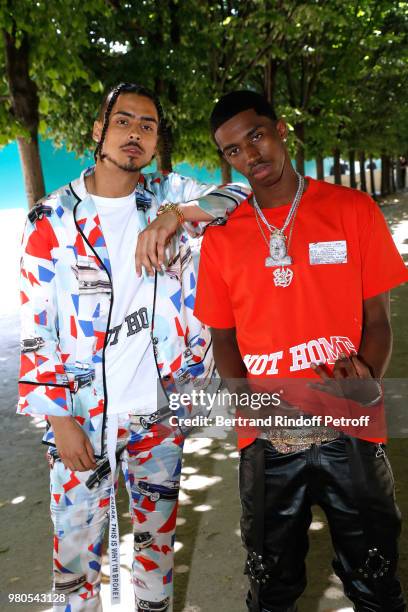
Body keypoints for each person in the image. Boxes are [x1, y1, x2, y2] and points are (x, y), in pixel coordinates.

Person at [17, 82, 248, 612]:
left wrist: (179, 216)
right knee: (75, 565)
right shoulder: (50, 220)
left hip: (161, 415)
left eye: (148, 126)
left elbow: (243, 197)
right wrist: (59, 420)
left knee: (155, 553)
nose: (136, 133)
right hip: (83, 419)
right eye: (124, 121)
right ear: (99, 130)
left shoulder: (170, 195)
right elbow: (37, 327)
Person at [194, 90, 408, 612]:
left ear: (281, 129)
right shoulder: (221, 240)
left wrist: (365, 380)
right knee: (271, 586)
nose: (250, 156)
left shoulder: (352, 211)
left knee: (376, 581)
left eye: (257, 136)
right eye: (234, 151)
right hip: (268, 439)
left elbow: (378, 322)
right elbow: (223, 339)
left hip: (350, 428)